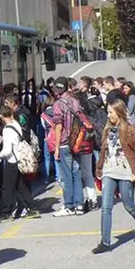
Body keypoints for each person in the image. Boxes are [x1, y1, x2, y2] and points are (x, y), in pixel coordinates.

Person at [92, 98, 135, 254]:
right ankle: (105, 242)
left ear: (119, 112)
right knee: (106, 207)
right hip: (109, 172)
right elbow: (104, 152)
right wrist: (99, 170)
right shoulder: (107, 129)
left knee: (129, 206)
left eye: (111, 112)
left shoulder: (130, 130)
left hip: (126, 173)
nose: (108, 115)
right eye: (108, 112)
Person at [0, 105, 41, 221]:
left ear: (1, 116)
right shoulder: (16, 124)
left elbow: (7, 149)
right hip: (20, 160)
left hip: (12, 160)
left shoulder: (7, 129)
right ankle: (31, 208)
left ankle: (6, 213)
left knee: (7, 188)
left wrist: (0, 156)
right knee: (20, 186)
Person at [51, 76, 86, 217]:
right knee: (76, 173)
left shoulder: (58, 104)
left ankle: (69, 205)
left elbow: (59, 127)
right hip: (77, 142)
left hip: (65, 143)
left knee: (66, 176)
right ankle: (79, 204)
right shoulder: (75, 101)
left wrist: (57, 147)